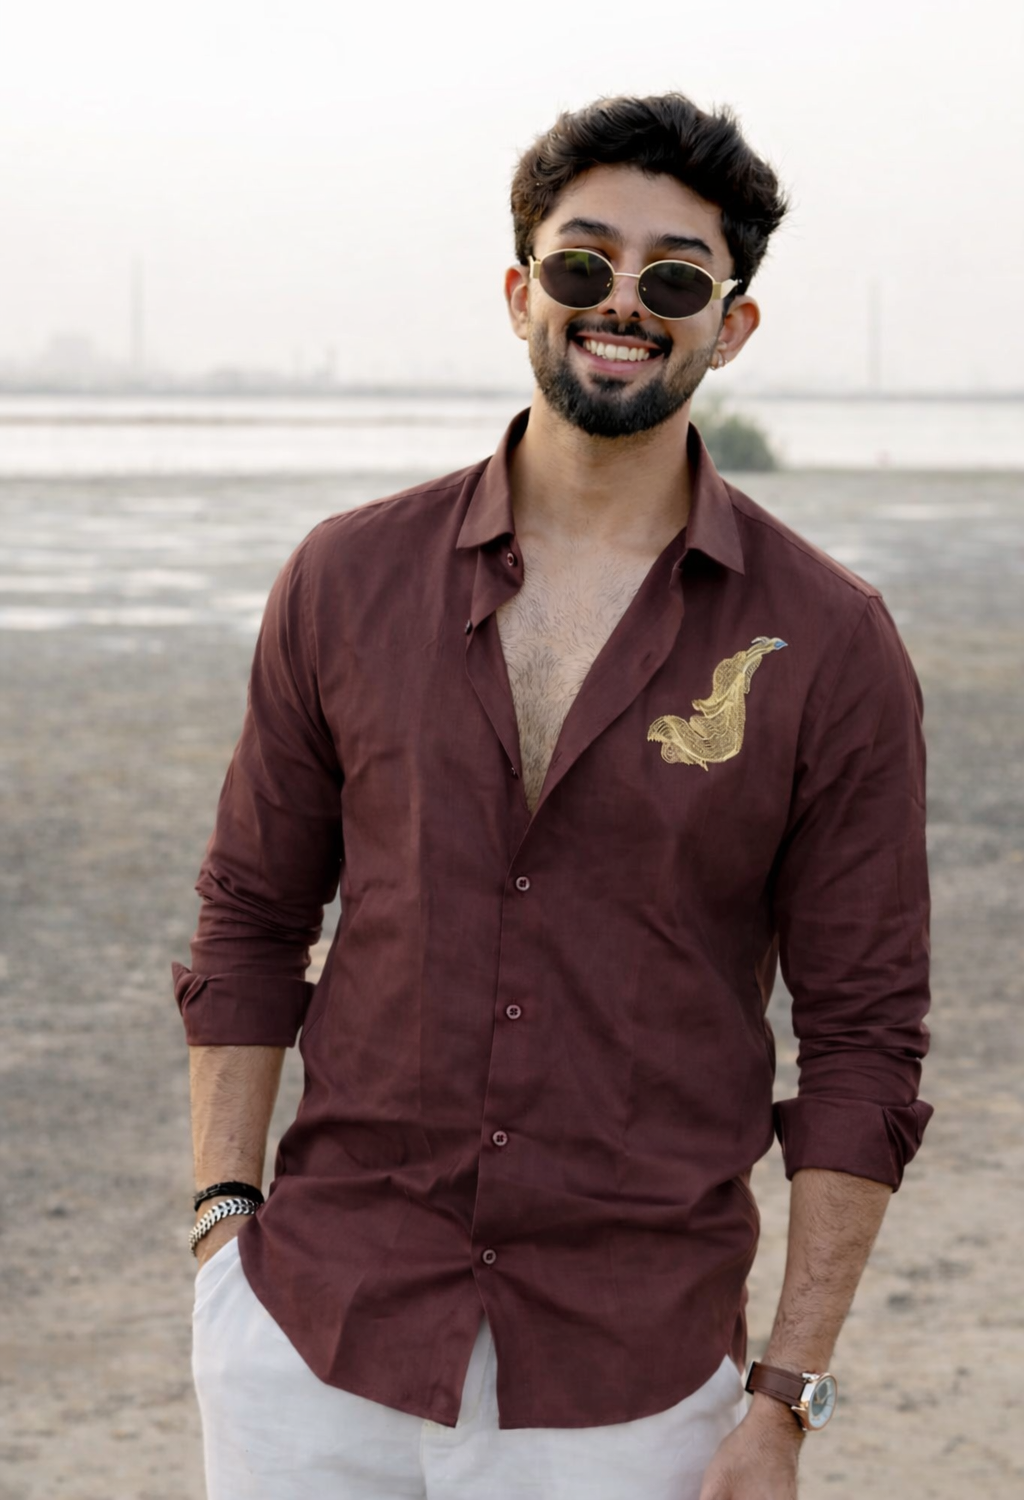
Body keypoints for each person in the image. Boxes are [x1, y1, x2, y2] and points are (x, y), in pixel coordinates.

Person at [173, 92, 931, 1500]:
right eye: (585, 262)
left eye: (677, 278)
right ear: (523, 293)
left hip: (628, 1393)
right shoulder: (346, 580)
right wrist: (224, 1220)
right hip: (310, 1346)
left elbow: (865, 1044)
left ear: (731, 326)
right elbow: (251, 918)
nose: (623, 302)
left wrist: (785, 1397)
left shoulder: (829, 645)